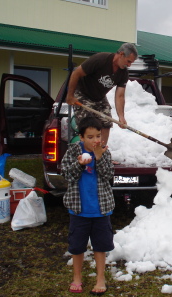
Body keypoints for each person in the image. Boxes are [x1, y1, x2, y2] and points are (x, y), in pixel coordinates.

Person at [61, 116, 115, 295]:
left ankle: (101, 279)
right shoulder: (72, 151)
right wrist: (79, 165)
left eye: (98, 136)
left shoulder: (104, 152)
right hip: (79, 209)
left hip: (101, 209)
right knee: (77, 247)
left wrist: (99, 158)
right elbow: (67, 175)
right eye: (90, 137)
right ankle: (77, 278)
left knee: (100, 246)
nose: (95, 141)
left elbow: (108, 175)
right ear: (82, 138)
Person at [66, 42, 138, 150]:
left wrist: (121, 117)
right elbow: (76, 73)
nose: (129, 65)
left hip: (99, 97)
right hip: (83, 93)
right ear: (121, 54)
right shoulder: (100, 59)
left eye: (131, 63)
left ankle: (100, 153)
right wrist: (70, 96)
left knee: (106, 123)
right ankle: (87, 154)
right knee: (88, 125)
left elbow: (120, 95)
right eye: (128, 61)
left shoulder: (123, 73)